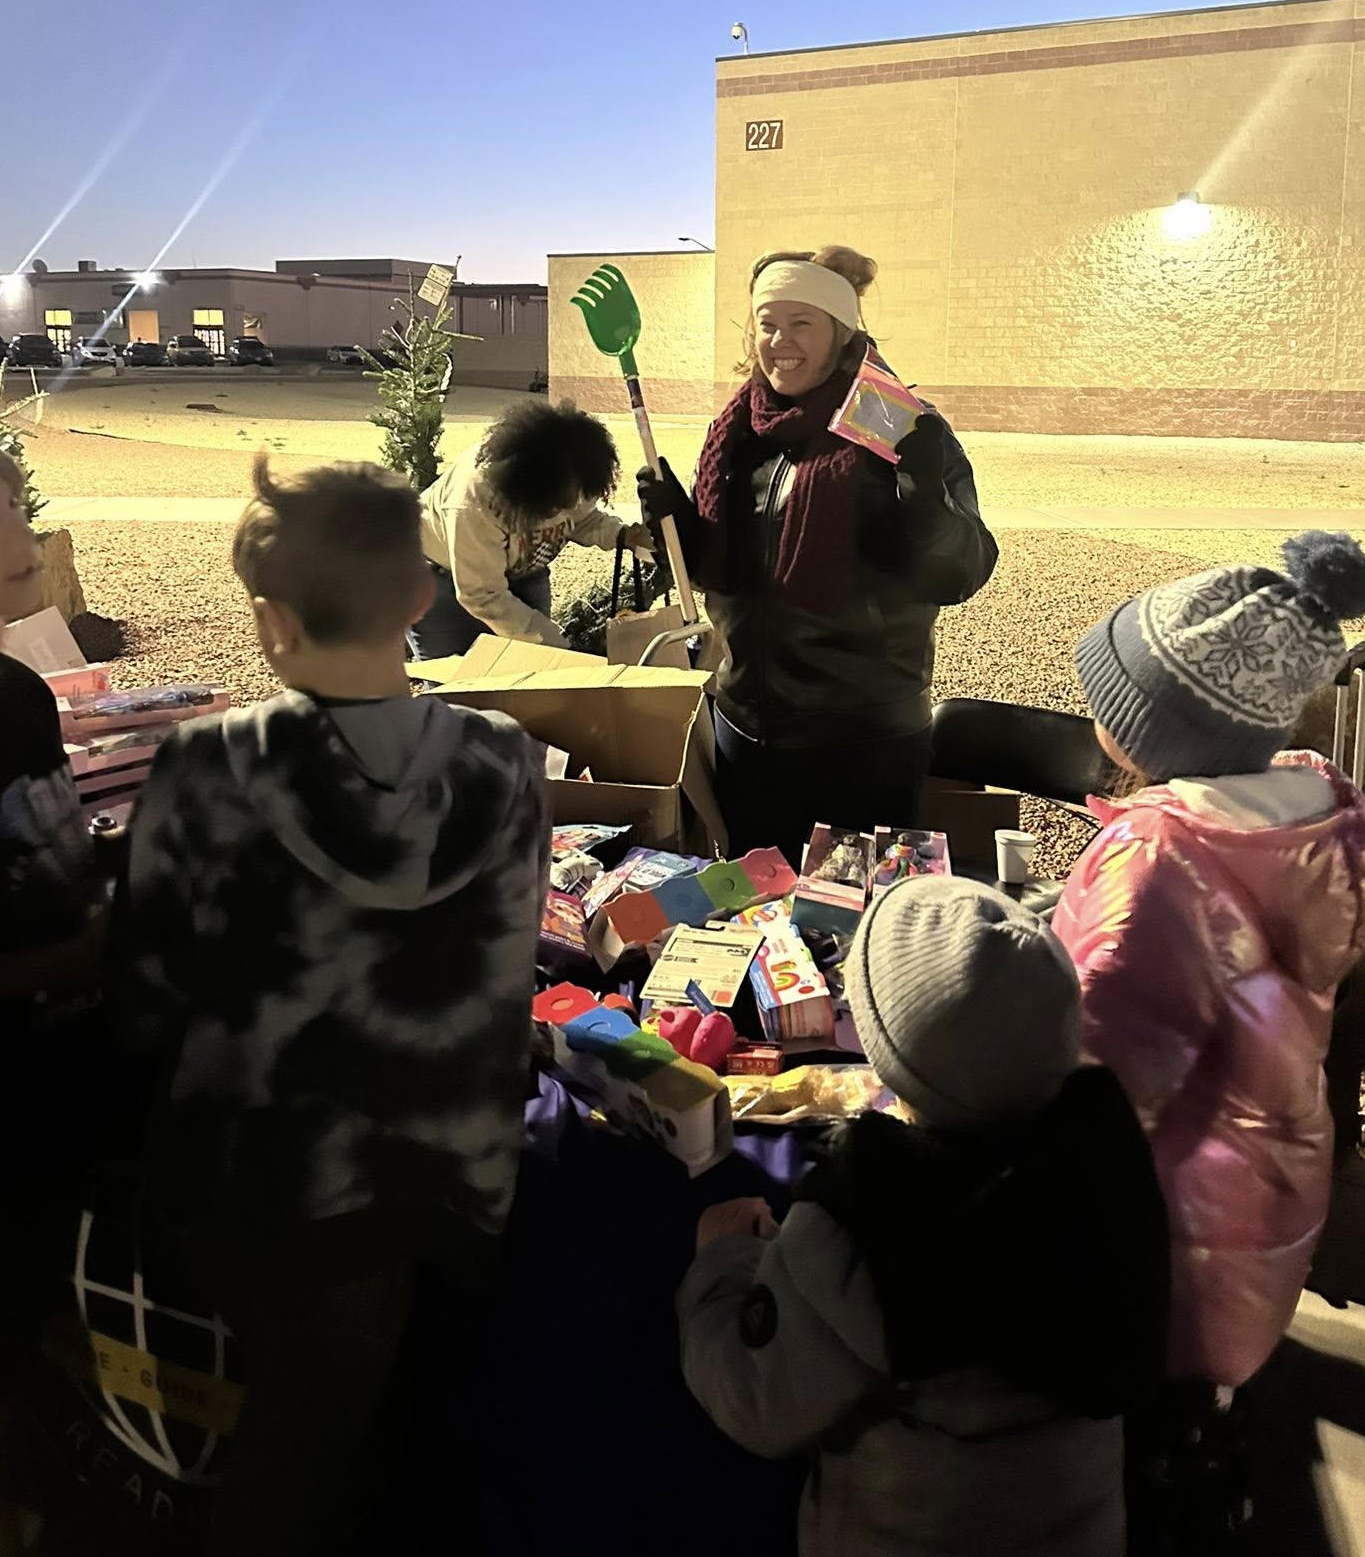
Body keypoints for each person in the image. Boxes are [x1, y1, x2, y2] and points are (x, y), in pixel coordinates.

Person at [117, 456, 549, 1557]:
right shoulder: (499, 763)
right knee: (352, 1429)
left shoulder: (201, 765)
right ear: (419, 595)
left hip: (257, 1178)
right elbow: (506, 970)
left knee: (292, 1458)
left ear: (269, 620)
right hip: (433, 1173)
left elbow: (149, 984)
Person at [1050, 532, 1365, 1548]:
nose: (1095, 713)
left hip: (1172, 1224)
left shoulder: (1161, 861)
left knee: (1141, 1417)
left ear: (1163, 734)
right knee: (1193, 1393)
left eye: (1114, 700)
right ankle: (1196, 1444)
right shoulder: (1311, 814)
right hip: (1264, 1183)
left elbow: (1094, 1072)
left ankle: (1166, 1490)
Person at [679, 878, 1170, 1557]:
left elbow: (755, 1400)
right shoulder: (1109, 1169)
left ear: (890, 1054)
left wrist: (722, 1264)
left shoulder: (864, 1227)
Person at [640, 246, 996, 862]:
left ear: (842, 330)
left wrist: (926, 500)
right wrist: (681, 530)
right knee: (757, 913)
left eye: (802, 323)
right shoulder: (740, 431)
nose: (780, 341)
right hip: (746, 730)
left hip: (862, 740)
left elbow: (960, 572)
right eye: (768, 323)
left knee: (850, 921)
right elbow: (725, 577)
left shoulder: (897, 425)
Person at [0, 434, 108, 1557]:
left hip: (57, 1069)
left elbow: (53, 846)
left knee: (41, 1300)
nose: (22, 535)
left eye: (14, 507)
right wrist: (67, 962)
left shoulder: (15, 689)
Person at [411, 399, 651, 658]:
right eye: (553, 508)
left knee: (529, 674)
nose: (561, 515)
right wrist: (556, 645)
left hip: (522, 573)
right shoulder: (476, 499)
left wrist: (621, 535)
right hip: (440, 582)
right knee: (455, 685)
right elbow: (481, 593)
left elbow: (581, 519)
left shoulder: (577, 471)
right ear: (525, 491)